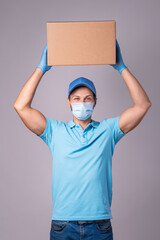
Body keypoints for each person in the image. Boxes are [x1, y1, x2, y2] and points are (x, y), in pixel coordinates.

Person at [14, 40, 152, 240]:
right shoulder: (54, 131)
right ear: (68, 102)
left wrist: (122, 68)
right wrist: (40, 69)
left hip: (100, 226)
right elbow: (21, 106)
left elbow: (142, 105)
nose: (82, 103)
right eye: (76, 98)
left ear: (95, 101)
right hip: (63, 225)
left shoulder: (108, 130)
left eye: (88, 98)